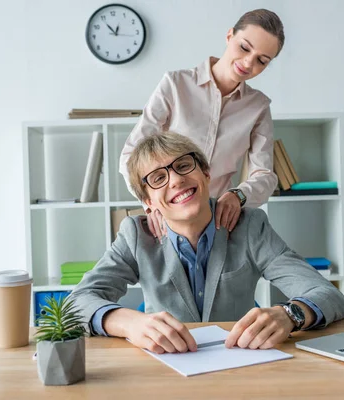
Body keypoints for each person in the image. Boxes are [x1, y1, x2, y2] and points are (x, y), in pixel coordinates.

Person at [71, 132, 344, 354]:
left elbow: (329, 296)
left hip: (241, 362)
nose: (177, 180)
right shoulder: (135, 235)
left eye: (183, 166)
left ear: (206, 173)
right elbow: (77, 303)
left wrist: (290, 314)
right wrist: (129, 322)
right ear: (148, 202)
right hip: (165, 369)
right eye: (158, 178)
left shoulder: (251, 225)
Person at [119, 9, 284, 238]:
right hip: (168, 221)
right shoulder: (175, 85)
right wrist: (151, 204)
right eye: (244, 47)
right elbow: (131, 155)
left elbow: (264, 175)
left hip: (219, 223)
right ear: (229, 36)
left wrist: (239, 195)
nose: (248, 62)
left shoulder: (258, 107)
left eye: (262, 61)